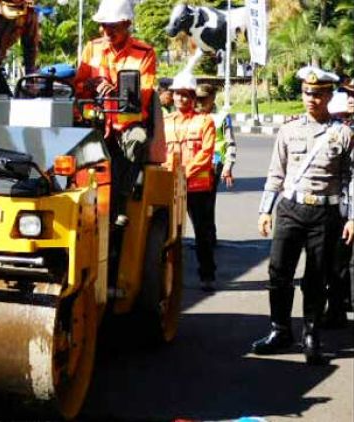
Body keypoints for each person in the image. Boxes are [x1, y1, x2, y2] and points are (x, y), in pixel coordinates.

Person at [252, 66, 354, 365]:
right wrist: (264, 210)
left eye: (319, 94)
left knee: (316, 278)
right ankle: (280, 330)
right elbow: (276, 173)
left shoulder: (343, 133)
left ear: (329, 95)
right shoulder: (288, 130)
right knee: (278, 273)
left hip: (325, 212)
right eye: (308, 93)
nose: (312, 99)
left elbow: (350, 179)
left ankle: (311, 334)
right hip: (290, 209)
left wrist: (352, 217)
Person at [73, 0, 157, 226]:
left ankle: (121, 201)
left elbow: (144, 94)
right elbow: (78, 85)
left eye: (113, 26)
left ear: (127, 23)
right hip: (96, 122)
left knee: (138, 140)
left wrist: (118, 91)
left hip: (126, 125)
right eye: (103, 25)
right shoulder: (92, 47)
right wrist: (89, 85)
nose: (106, 31)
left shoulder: (144, 53)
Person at [162, 71, 217, 292]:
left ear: (193, 97)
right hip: (170, 186)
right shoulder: (164, 123)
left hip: (197, 188)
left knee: (202, 234)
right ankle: (166, 276)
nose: (180, 99)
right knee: (166, 235)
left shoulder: (205, 121)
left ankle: (207, 275)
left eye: (185, 95)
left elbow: (206, 154)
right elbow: (158, 151)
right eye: (177, 94)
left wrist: (184, 173)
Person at [322, 79, 354, 328]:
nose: (351, 98)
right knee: (337, 260)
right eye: (348, 94)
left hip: (349, 205)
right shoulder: (342, 127)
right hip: (342, 204)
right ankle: (337, 308)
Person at [196, 83, 237, 246]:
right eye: (197, 99)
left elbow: (230, 143)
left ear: (212, 98)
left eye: (203, 99)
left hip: (214, 163)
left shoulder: (221, 116)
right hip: (194, 163)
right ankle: (204, 236)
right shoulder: (193, 114)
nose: (199, 103)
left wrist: (228, 166)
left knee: (206, 201)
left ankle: (207, 237)